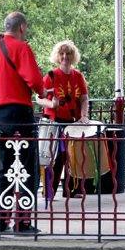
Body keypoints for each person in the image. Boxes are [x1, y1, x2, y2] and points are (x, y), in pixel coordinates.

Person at [0, 11, 46, 234]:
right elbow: (35, 79)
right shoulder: (21, 47)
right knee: (27, 166)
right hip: (18, 111)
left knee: (5, 165)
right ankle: (22, 221)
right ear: (22, 28)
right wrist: (43, 91)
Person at [35, 40, 89, 200]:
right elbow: (38, 98)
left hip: (72, 121)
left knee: (71, 157)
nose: (65, 56)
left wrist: (84, 116)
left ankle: (71, 190)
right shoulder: (51, 75)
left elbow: (84, 99)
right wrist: (51, 103)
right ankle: (49, 191)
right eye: (62, 53)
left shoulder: (78, 76)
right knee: (51, 157)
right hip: (53, 121)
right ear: (58, 56)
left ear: (73, 56)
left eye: (68, 53)